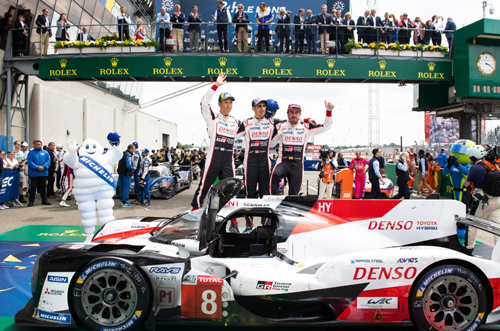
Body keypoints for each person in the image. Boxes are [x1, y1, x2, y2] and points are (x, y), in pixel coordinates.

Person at [191, 73, 240, 210]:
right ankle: (195, 212)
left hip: (228, 161)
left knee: (230, 189)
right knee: (204, 187)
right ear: (219, 104)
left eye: (230, 102)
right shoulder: (213, 118)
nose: (228, 105)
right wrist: (216, 85)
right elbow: (204, 103)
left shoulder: (235, 122)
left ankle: (232, 220)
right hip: (214, 159)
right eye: (226, 102)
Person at [270, 101, 333, 195]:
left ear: (300, 114)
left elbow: (325, 127)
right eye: (291, 112)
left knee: (294, 194)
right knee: (275, 175)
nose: (294, 115)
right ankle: (273, 200)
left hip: (298, 164)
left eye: (296, 112)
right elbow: (271, 144)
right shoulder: (280, 126)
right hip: (283, 162)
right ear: (287, 113)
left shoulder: (306, 127)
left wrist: (329, 111)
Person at [463, 145, 500, 253]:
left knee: (472, 223)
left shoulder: (474, 168)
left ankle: (468, 248)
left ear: (473, 157)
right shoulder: (494, 165)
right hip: (498, 199)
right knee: (497, 227)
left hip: (485, 201)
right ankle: (498, 251)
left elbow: (466, 184)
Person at [27, 140, 51, 206]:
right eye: (36, 144)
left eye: (39, 144)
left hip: (43, 173)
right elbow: (30, 162)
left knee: (43, 187)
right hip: (34, 173)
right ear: (34, 145)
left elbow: (48, 161)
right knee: (33, 188)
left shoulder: (45, 152)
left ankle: (44, 200)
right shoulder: (31, 153)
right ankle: (31, 201)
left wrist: (44, 167)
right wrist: (37, 167)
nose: (38, 145)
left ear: (41, 145)